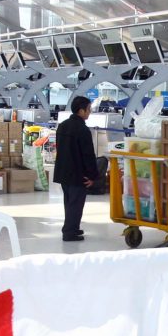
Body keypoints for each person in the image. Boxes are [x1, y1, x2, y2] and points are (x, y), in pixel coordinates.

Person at [53, 96, 98, 242]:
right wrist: (93, 176)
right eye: (88, 109)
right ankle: (69, 232)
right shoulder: (83, 130)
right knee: (76, 204)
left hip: (63, 171)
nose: (89, 112)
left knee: (69, 202)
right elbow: (88, 155)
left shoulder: (63, 125)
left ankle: (72, 227)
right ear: (81, 110)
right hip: (78, 173)